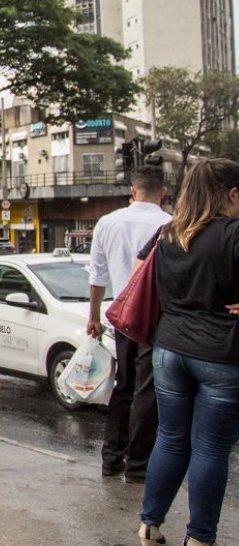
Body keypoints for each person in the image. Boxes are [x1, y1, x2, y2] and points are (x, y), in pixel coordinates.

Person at [135, 159, 239, 546]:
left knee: (170, 437)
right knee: (211, 447)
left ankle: (150, 525)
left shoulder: (168, 233)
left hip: (169, 350)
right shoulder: (233, 233)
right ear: (231, 193)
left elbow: (139, 273)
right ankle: (199, 538)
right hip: (221, 353)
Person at [87, 165, 170, 483]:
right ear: (163, 192)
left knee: (123, 385)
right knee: (147, 390)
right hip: (158, 319)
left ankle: (111, 458)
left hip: (123, 317)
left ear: (132, 192)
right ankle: (138, 464)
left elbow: (97, 276)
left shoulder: (107, 222)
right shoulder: (169, 224)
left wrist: (93, 316)